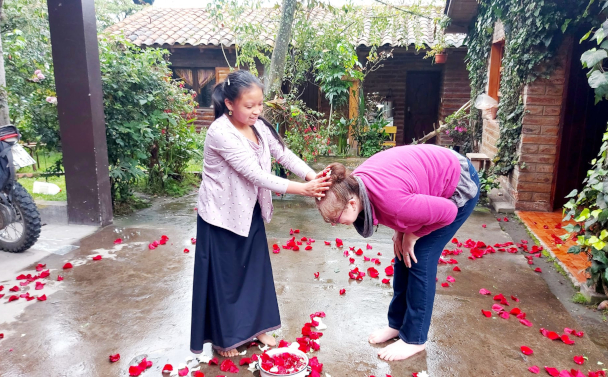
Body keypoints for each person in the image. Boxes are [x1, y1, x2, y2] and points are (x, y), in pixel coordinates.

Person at [191, 70, 331, 357]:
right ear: (230, 104)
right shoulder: (220, 132)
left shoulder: (258, 127)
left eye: (260, 105)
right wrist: (303, 190)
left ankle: (258, 328)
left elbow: (283, 154)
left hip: (249, 210)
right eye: (249, 106)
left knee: (254, 274)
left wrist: (311, 175)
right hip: (220, 215)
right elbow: (255, 174)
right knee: (227, 280)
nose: (256, 111)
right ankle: (226, 338)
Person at [315, 144, 479, 361]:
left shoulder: (393, 202)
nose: (337, 224)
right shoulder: (355, 185)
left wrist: (412, 234)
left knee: (420, 257)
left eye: (336, 219)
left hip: (458, 184)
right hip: (430, 184)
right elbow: (405, 196)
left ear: (352, 203)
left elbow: (447, 212)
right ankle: (397, 324)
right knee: (402, 254)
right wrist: (400, 232)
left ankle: (414, 339)